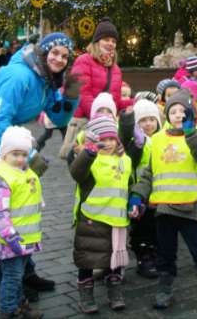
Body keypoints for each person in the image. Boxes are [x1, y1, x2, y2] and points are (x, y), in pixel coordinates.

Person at [0, 32, 79, 299]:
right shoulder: (20, 76)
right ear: (44, 52)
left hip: (3, 147)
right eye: (55, 53)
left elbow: (55, 117)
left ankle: (26, 274)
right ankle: (11, 287)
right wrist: (30, 153)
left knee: (18, 208)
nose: (59, 59)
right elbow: (0, 119)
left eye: (64, 56)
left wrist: (71, 97)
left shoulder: (45, 79)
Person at [129, 90, 197, 314]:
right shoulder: (157, 140)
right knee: (166, 252)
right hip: (164, 207)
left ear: (191, 114)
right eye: (172, 111)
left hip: (189, 207)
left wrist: (191, 132)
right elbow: (149, 174)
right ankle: (165, 287)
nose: (177, 115)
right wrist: (138, 194)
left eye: (182, 111)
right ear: (166, 116)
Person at [68, 114, 131, 313]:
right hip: (92, 220)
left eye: (112, 138)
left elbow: (128, 184)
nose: (108, 143)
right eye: (103, 139)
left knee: (114, 261)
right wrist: (89, 152)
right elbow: (76, 173)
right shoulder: (90, 160)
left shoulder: (125, 160)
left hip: (117, 221)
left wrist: (135, 202)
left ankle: (115, 291)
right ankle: (86, 294)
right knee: (87, 259)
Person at [0, 126, 44, 319]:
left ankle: (20, 303)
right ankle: (9, 309)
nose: (20, 159)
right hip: (9, 238)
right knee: (12, 276)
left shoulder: (21, 170)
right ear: (4, 152)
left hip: (25, 236)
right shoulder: (0, 177)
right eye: (15, 154)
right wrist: (11, 237)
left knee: (18, 275)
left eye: (24, 154)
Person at [60, 17, 132, 158]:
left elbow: (115, 101)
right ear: (97, 41)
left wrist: (134, 103)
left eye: (113, 41)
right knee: (86, 170)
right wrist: (101, 118)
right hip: (85, 124)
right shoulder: (84, 60)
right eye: (106, 39)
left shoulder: (115, 68)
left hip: (106, 126)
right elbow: (83, 94)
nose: (110, 44)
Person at [119, 99, 161, 278]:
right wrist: (138, 143)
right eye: (143, 120)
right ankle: (144, 257)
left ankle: (156, 253)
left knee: (156, 226)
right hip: (139, 192)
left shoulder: (162, 138)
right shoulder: (136, 141)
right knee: (141, 227)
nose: (149, 123)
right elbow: (131, 159)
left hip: (159, 191)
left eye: (152, 119)